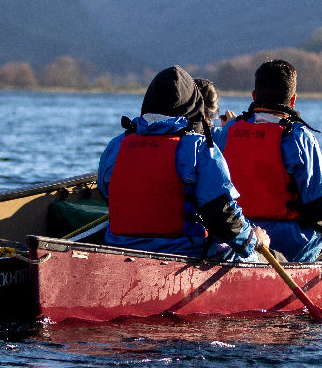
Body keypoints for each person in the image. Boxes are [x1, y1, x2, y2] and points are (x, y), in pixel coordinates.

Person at [99, 65, 270, 260]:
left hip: (118, 249)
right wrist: (253, 239)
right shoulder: (198, 148)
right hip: (181, 253)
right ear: (192, 106)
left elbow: (106, 192)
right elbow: (222, 213)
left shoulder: (116, 145)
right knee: (251, 256)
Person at [214, 59, 322, 262]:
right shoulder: (299, 136)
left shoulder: (228, 130)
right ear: (293, 100)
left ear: (254, 96)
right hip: (290, 241)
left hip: (241, 234)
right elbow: (320, 213)